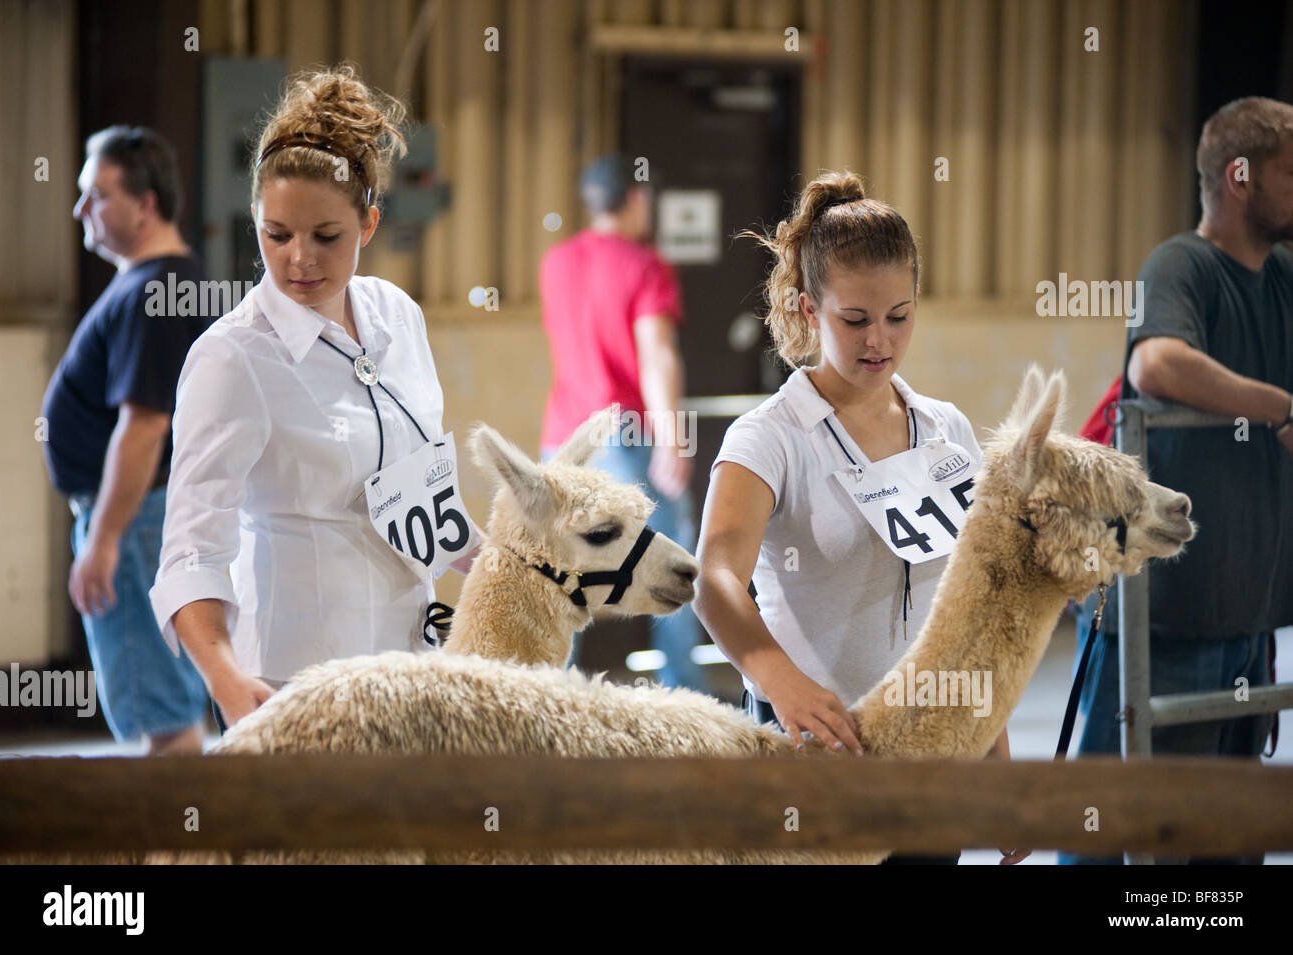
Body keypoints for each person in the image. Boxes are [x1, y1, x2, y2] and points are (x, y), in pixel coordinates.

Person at [694, 170, 1028, 865]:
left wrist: (996, 753)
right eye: (856, 319)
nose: (880, 339)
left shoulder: (948, 428)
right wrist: (784, 685)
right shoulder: (770, 435)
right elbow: (715, 578)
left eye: (899, 315)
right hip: (821, 755)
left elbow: (965, 600)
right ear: (809, 308)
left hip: (936, 749)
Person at [148, 66, 476, 732]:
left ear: (370, 224)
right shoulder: (230, 357)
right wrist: (229, 682)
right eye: (276, 234)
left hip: (412, 660)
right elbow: (190, 551)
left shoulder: (398, 315)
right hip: (295, 683)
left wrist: (499, 561)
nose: (299, 258)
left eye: (326, 236)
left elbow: (419, 489)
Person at [1061, 96, 1292, 866]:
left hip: (1246, 622)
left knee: (1229, 843)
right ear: (1240, 177)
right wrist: (1277, 405)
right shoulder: (1181, 265)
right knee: (1109, 830)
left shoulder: (1284, 278)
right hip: (1161, 620)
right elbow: (1155, 362)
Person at [41, 126, 213, 756]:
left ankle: (182, 851)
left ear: (144, 204)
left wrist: (105, 538)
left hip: (136, 522)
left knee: (164, 715)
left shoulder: (154, 291)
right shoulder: (154, 283)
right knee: (165, 706)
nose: (81, 209)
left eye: (97, 195)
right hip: (138, 520)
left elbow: (145, 426)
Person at [537, 155, 708, 693]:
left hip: (562, 439)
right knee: (675, 555)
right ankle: (683, 690)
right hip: (625, 437)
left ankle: (551, 690)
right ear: (636, 201)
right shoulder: (645, 266)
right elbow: (657, 355)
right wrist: (672, 437)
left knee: (565, 567)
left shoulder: (555, 263)